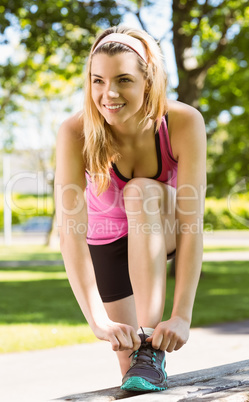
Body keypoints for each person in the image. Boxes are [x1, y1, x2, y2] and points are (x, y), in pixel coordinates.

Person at [55, 25, 206, 392]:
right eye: (98, 81)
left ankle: (150, 331)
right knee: (137, 375)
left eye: (123, 79)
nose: (109, 94)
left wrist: (182, 316)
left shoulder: (182, 121)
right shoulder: (75, 131)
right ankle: (147, 356)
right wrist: (96, 319)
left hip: (161, 225)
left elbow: (190, 223)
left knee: (139, 192)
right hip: (107, 244)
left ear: (148, 81)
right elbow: (71, 231)